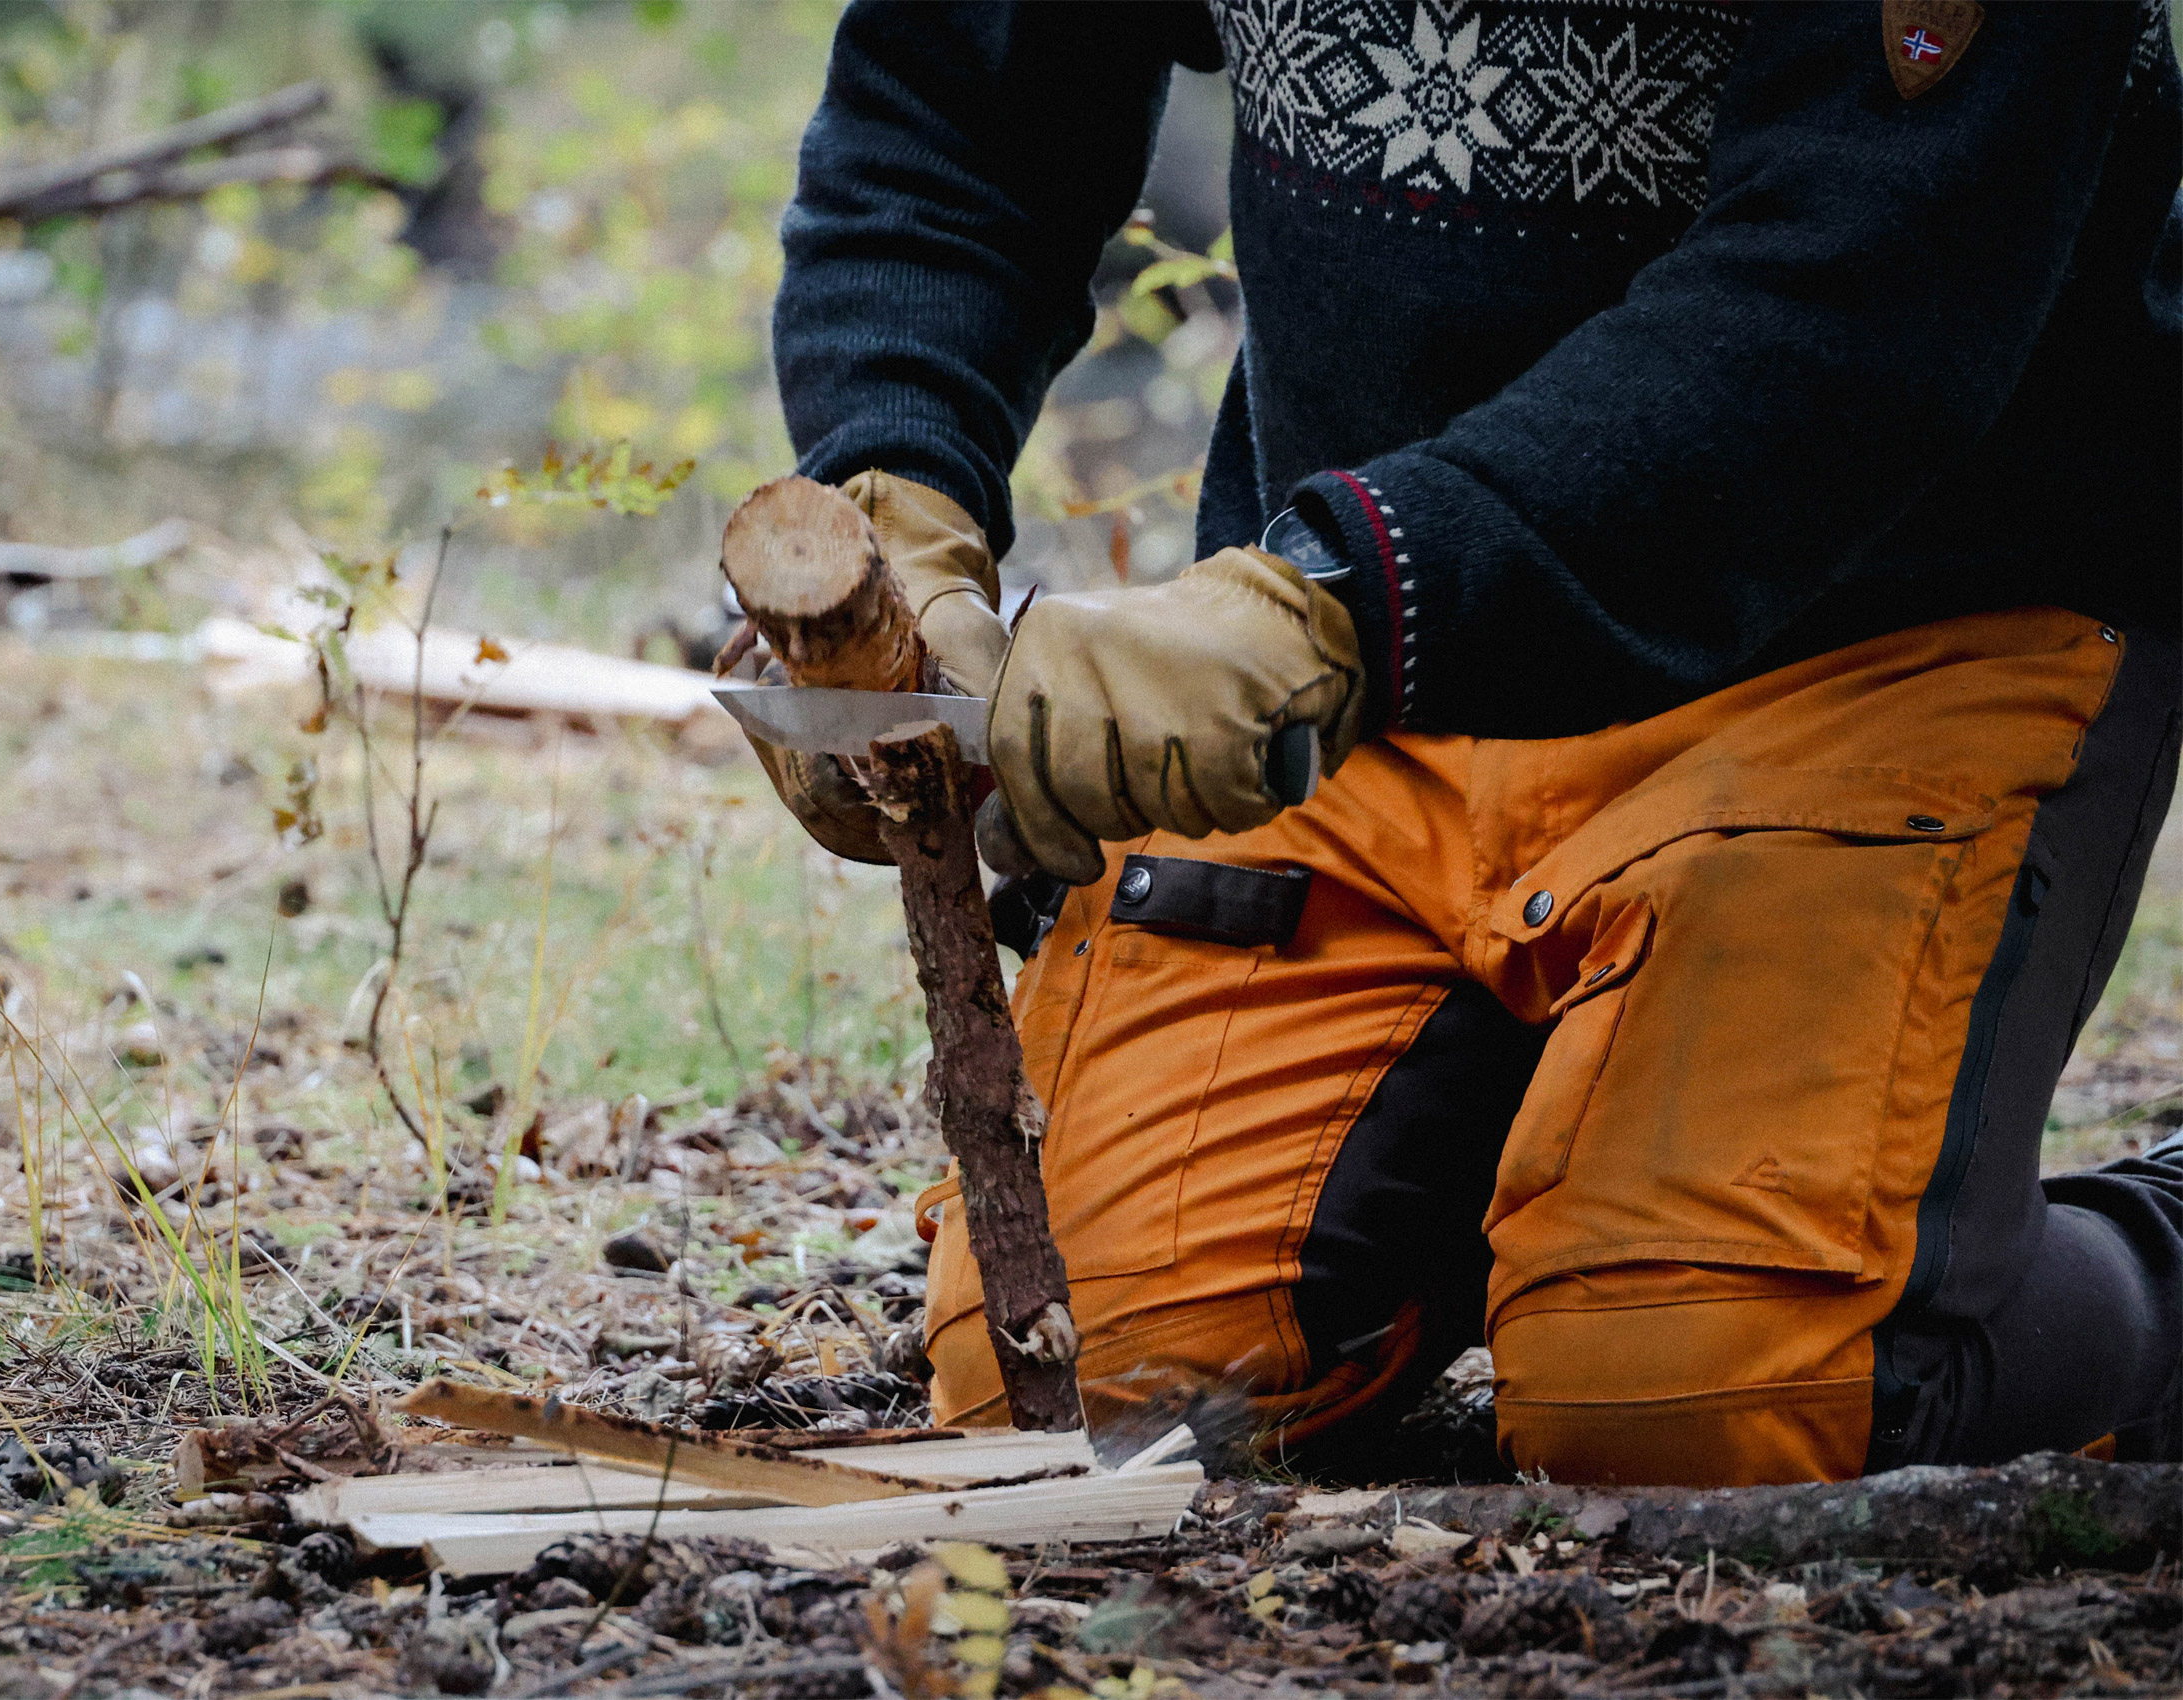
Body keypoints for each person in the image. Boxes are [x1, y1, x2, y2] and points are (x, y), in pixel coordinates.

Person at [743, 0, 2183, 1484]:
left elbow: (1867, 294)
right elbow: (956, 109)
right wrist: (893, 493)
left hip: (1876, 635)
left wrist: (1325, 613)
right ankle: (1562, 1180)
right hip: (1378, 673)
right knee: (1086, 1387)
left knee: (1707, 1394)